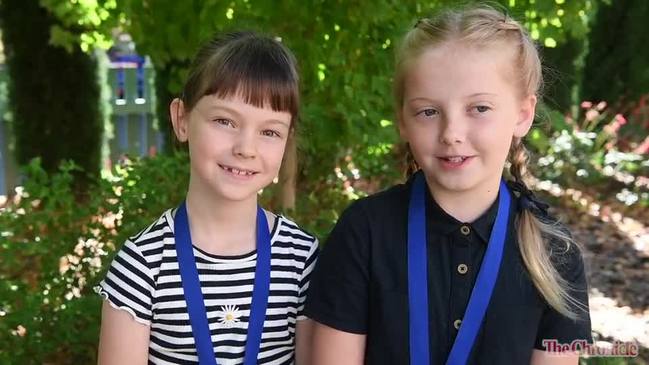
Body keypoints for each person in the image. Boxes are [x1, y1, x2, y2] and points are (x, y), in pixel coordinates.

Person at [305, 5, 592, 365]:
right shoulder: (364, 232)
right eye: (428, 111)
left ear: (523, 114)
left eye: (479, 108)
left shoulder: (555, 255)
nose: (451, 134)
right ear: (403, 121)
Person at [96, 31, 318, 365]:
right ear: (181, 120)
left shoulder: (301, 259)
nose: (245, 148)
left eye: (269, 131)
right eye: (225, 121)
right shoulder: (142, 266)